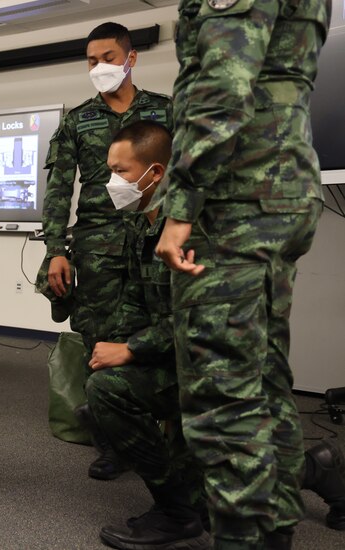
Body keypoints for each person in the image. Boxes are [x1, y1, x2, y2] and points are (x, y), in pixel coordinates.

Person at [154, 0, 332, 547]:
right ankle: (273, 531)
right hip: (277, 191)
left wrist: (180, 206)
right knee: (264, 383)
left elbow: (224, 84)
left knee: (222, 398)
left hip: (236, 199)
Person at [41, 21, 172, 480]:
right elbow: (59, 187)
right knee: (99, 338)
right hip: (97, 243)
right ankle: (112, 443)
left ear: (131, 59)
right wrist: (56, 248)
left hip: (157, 237)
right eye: (91, 61)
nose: (99, 68)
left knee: (155, 332)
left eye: (108, 58)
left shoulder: (164, 111)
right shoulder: (79, 119)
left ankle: (162, 438)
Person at [85, 121, 210, 550]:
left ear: (154, 173)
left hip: (213, 366)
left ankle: (177, 512)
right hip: (177, 358)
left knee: (241, 477)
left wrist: (133, 350)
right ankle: (185, 502)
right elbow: (137, 302)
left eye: (121, 172)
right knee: (103, 385)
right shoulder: (145, 220)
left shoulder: (192, 228)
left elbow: (200, 319)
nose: (112, 183)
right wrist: (111, 346)